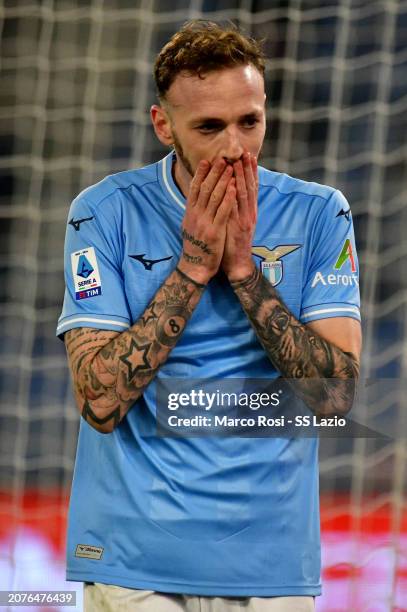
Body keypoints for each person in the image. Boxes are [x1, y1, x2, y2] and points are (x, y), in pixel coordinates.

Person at [57, 20, 361, 612]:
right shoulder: (102, 212)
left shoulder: (321, 213)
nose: (234, 148)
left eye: (250, 121)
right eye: (209, 127)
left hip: (270, 564)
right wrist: (194, 267)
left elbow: (336, 397)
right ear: (162, 124)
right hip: (133, 560)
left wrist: (245, 272)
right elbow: (99, 400)